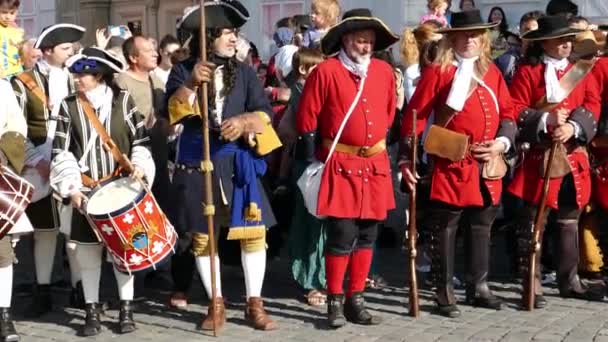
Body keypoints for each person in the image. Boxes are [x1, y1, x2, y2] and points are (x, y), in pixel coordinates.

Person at [167, 0, 281, 332]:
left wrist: (246, 121)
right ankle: (215, 303)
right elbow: (171, 113)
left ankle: (254, 303)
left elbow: (265, 113)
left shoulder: (244, 72)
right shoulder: (181, 70)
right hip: (198, 162)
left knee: (253, 234)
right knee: (204, 237)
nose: (234, 39)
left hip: (238, 163)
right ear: (209, 36)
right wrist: (190, 83)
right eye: (228, 33)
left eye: (235, 33)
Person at [401, 9, 516, 318]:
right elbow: (415, 116)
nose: (471, 39)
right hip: (451, 163)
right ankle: (443, 292)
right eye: (464, 34)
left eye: (477, 34)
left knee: (482, 225)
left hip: (486, 162)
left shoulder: (491, 73)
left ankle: (478, 286)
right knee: (446, 228)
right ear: (452, 38)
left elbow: (508, 114)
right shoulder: (439, 72)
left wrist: (500, 143)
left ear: (484, 39)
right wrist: (406, 157)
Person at [296, 8, 399, 328]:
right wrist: (321, 154)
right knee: (342, 234)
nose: (366, 46)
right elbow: (306, 121)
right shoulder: (325, 72)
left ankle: (357, 298)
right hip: (341, 163)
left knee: (369, 234)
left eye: (370, 41)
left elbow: (389, 115)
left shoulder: (383, 71)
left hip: (375, 163)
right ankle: (335, 301)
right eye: (360, 40)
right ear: (345, 39)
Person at [50, 47, 154, 336]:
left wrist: (140, 166)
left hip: (122, 189)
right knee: (87, 255)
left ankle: (126, 309)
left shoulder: (124, 102)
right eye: (75, 73)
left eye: (82, 74)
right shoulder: (68, 106)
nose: (77, 79)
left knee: (124, 253)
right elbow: (61, 151)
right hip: (86, 191)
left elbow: (141, 141)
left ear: (98, 75)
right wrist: (71, 187)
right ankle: (92, 311)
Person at [508, 15, 603, 308]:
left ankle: (569, 280)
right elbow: (515, 108)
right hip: (540, 156)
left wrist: (573, 127)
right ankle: (532, 284)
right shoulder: (528, 72)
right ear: (544, 42)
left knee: (569, 220)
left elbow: (592, 103)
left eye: (568, 39)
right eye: (560, 39)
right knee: (534, 223)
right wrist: (546, 120)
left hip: (572, 155)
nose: (566, 43)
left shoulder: (579, 70)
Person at [11, 23, 85, 317]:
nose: (72, 53)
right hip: (38, 164)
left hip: (73, 163)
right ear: (48, 51)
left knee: (75, 231)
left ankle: (80, 289)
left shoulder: (78, 79)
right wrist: (36, 160)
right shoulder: (21, 82)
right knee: (45, 231)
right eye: (67, 48)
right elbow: (15, 128)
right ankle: (42, 291)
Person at [276, 47, 326, 306]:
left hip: (321, 159)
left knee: (322, 223)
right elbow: (289, 132)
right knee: (310, 221)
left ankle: (321, 276)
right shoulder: (299, 91)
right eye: (316, 67)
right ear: (304, 69)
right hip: (306, 162)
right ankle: (311, 280)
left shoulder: (317, 88)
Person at [0, 77, 32, 342]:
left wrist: (3, 155)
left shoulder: (2, 87)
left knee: (2, 252)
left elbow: (16, 125)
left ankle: (4, 316)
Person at [495, 11, 543, 86]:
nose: (531, 35)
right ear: (520, 32)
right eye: (527, 30)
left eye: (535, 31)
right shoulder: (505, 61)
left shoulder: (549, 60)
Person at [0, 0, 23, 79]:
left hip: (18, 71)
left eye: (12, 13)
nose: (8, 17)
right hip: (4, 74)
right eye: (4, 12)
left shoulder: (15, 29)